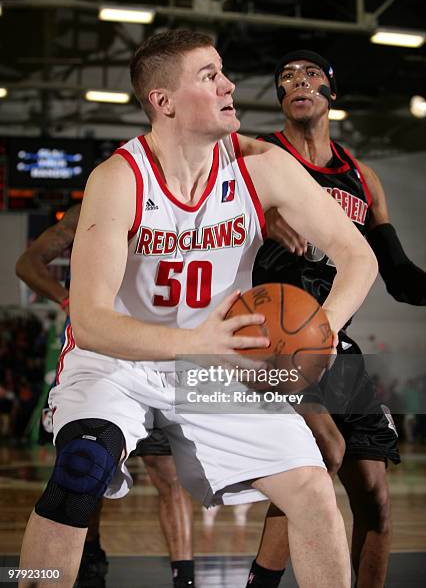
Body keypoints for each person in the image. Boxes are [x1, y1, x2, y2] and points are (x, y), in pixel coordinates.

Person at [18, 30, 378, 588]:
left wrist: (320, 331)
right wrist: (203, 342)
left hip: (216, 362)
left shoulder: (263, 170)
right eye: (209, 76)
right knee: (80, 469)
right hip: (120, 362)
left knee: (311, 490)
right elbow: (90, 323)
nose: (230, 85)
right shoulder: (117, 179)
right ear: (163, 102)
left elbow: (359, 256)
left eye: (224, 72)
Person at [247, 49, 426, 588]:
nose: (297, 81)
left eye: (311, 75)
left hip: (333, 341)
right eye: (286, 76)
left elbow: (397, 275)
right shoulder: (257, 159)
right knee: (323, 451)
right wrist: (263, 213)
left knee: (375, 498)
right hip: (269, 339)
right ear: (280, 97)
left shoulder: (362, 178)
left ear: (331, 92)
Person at [16, 207, 194, 588]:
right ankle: (89, 559)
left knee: (169, 476)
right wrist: (66, 299)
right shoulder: (93, 210)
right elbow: (27, 263)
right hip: (100, 356)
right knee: (86, 466)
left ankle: (186, 577)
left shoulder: (190, 209)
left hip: (159, 355)